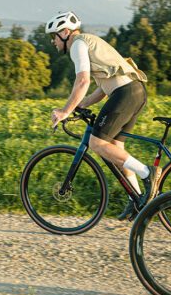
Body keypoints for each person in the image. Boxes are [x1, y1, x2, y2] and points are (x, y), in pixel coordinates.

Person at [45, 11, 152, 217]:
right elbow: (103, 88)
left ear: (65, 32)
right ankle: (138, 200)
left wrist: (65, 111)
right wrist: (81, 104)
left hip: (125, 93)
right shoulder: (91, 42)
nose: (53, 42)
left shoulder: (77, 44)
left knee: (96, 143)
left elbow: (83, 81)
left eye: (54, 37)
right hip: (134, 91)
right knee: (115, 148)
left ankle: (147, 173)